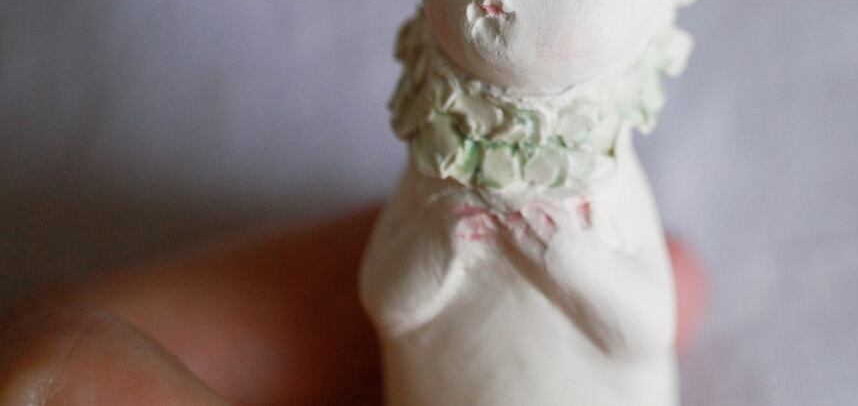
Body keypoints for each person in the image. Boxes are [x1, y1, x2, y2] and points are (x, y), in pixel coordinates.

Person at [0, 208, 704, 405]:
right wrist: (442, 253)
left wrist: (572, 262)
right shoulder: (439, 195)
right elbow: (387, 303)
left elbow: (644, 324)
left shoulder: (607, 200)